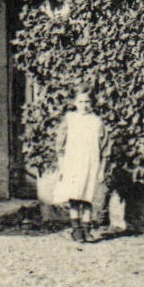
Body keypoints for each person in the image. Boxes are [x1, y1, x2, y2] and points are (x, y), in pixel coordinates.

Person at [53, 89, 109, 242]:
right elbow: (60, 145)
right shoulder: (70, 119)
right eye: (80, 102)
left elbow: (105, 149)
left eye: (87, 102)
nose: (84, 105)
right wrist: (61, 167)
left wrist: (102, 170)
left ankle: (86, 229)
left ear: (92, 103)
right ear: (74, 103)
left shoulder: (97, 121)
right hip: (73, 162)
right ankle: (76, 229)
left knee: (87, 197)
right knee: (75, 197)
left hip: (91, 163)